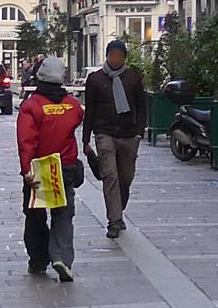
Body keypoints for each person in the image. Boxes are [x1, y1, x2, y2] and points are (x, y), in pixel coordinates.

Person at [17, 56, 85, 281]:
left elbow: (26, 141)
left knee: (35, 214)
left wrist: (26, 168)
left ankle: (38, 260)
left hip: (39, 168)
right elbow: (77, 120)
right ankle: (62, 258)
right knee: (63, 213)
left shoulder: (31, 106)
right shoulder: (73, 106)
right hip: (64, 167)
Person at [82, 39, 148, 239]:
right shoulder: (95, 80)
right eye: (112, 55)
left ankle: (118, 209)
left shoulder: (133, 79)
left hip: (128, 135)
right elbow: (90, 110)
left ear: (124, 58)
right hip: (105, 134)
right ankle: (114, 220)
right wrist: (86, 140)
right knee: (110, 175)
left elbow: (142, 107)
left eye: (119, 56)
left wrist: (138, 133)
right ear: (107, 56)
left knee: (125, 178)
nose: (116, 59)